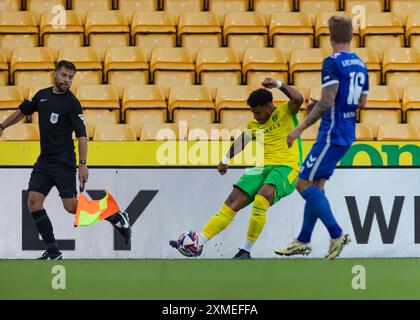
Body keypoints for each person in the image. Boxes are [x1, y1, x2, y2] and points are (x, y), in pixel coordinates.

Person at [0, 60, 131, 260]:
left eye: (70, 77)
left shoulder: (72, 103)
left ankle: (114, 216)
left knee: (71, 207)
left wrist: (83, 165)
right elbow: (23, 111)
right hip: (45, 162)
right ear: (55, 74)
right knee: (34, 202)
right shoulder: (42, 96)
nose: (66, 80)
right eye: (63, 75)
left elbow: (82, 136)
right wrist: (2, 126)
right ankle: (53, 252)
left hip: (64, 163)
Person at [170, 78, 304, 259]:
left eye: (257, 112)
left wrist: (279, 85)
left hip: (288, 168)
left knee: (261, 199)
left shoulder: (286, 112)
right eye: (253, 113)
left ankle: (246, 251)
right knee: (232, 202)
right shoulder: (254, 125)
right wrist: (225, 159)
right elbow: (242, 141)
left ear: (268, 105)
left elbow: (299, 99)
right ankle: (198, 243)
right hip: (265, 168)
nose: (255, 117)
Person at [275, 16, 369, 260]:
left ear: (330, 36)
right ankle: (303, 240)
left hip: (331, 133)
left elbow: (328, 101)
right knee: (316, 186)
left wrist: (299, 129)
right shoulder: (360, 63)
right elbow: (360, 102)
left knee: (302, 183)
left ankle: (336, 234)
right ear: (350, 36)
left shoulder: (331, 62)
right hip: (347, 132)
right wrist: (328, 104)